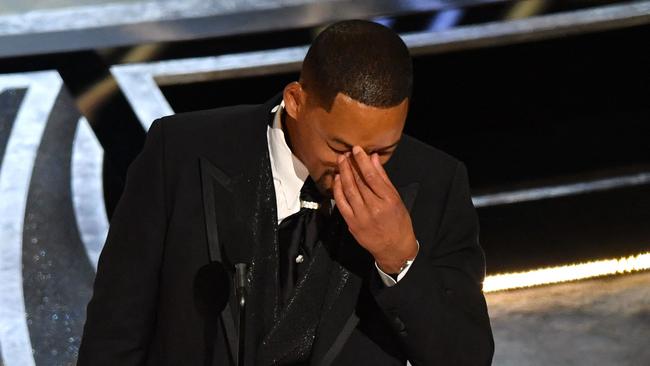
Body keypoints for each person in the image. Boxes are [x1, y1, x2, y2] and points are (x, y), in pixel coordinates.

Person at [78, 19, 494, 366]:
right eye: (339, 147)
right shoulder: (182, 152)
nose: (361, 167)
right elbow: (116, 328)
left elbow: (465, 357)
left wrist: (400, 258)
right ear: (296, 101)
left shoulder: (437, 183)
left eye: (383, 150)